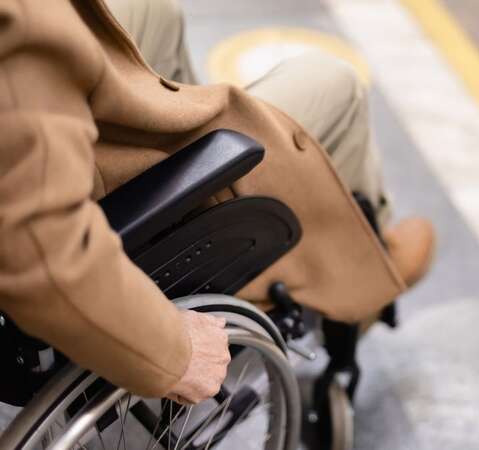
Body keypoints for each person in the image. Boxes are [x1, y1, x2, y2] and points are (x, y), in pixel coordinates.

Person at [0, 0, 434, 404]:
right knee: (335, 84)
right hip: (83, 204)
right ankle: (367, 281)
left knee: (153, 13)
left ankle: (197, 124)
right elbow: (40, 256)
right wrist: (172, 350)